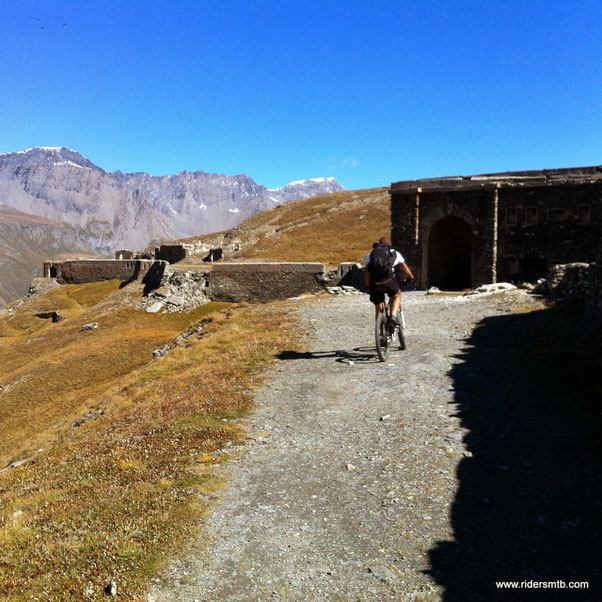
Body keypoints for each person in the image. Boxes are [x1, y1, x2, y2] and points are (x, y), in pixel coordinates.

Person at [364, 235, 414, 324]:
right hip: (388, 280)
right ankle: (393, 316)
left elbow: (367, 272)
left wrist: (368, 286)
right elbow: (405, 268)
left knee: (379, 309)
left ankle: (379, 330)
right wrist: (411, 277)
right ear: (390, 244)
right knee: (397, 295)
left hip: (375, 282)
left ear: (379, 244)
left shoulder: (372, 254)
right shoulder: (395, 253)